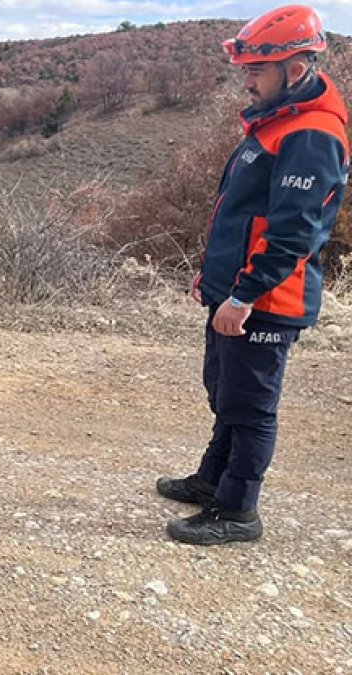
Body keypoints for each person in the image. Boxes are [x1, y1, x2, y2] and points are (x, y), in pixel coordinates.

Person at [157, 5, 348, 545]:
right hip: (237, 293)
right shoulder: (277, 122)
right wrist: (212, 280)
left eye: (256, 71)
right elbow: (240, 213)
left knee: (251, 407)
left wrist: (241, 295)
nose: (247, 81)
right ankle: (212, 479)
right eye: (244, 70)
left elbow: (291, 234)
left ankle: (238, 512)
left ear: (296, 68)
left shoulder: (311, 136)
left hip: (267, 301)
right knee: (227, 393)